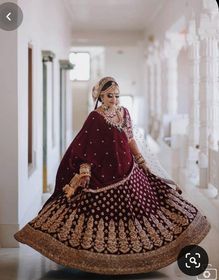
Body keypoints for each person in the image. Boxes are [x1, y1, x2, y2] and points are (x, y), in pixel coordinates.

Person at [14, 76, 210, 275]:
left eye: (116, 95)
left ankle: (137, 257)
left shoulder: (124, 113)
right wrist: (84, 171)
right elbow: (85, 147)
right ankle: (99, 260)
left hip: (129, 171)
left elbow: (131, 139)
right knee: (95, 212)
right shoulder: (94, 117)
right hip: (102, 176)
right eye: (109, 96)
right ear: (99, 95)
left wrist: (142, 162)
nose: (114, 99)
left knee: (145, 205)